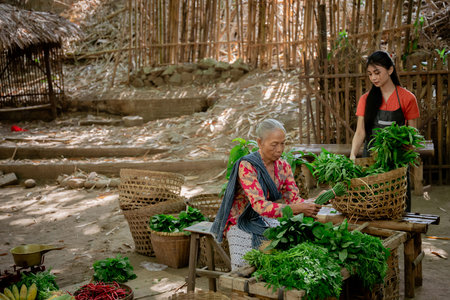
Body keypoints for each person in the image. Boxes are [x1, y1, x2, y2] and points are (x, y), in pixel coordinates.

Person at [210, 119, 322, 270]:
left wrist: (314, 201)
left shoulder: (283, 167)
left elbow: (294, 199)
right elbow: (259, 205)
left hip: (265, 217)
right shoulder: (248, 166)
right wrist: (300, 208)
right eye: (274, 144)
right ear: (259, 142)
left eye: (283, 143)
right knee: (243, 267)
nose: (280, 149)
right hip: (241, 219)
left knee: (284, 255)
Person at [350, 50, 420, 211]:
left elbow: (412, 133)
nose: (373, 78)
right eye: (370, 74)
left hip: (396, 160)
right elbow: (360, 132)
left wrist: (407, 150)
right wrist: (353, 154)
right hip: (371, 159)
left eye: (377, 72)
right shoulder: (366, 99)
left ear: (390, 70)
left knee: (398, 204)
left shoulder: (407, 98)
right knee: (373, 203)